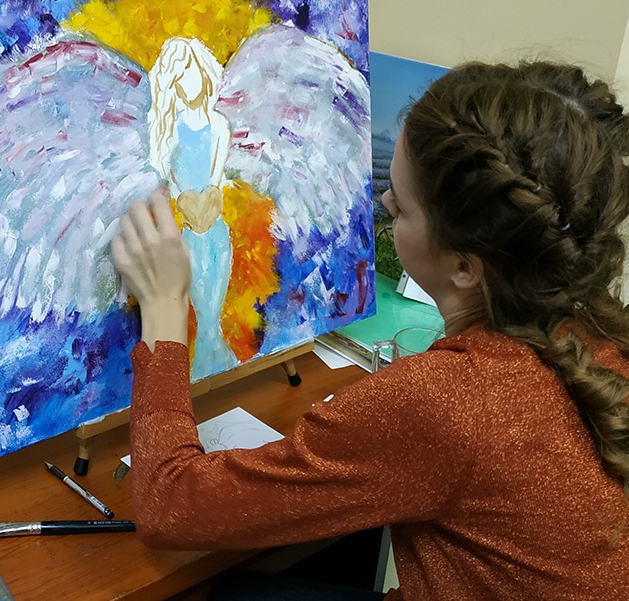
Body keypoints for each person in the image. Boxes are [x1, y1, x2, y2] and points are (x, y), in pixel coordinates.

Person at [110, 60, 629, 600]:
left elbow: (170, 505)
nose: (381, 203)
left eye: (400, 208)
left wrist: (166, 306)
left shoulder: (450, 401)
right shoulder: (601, 333)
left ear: (465, 267)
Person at [148, 36, 235, 380]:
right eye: (180, 73)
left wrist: (209, 201)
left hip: (215, 227)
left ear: (203, 69)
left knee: (214, 308)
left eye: (192, 68)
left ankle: (213, 359)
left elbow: (215, 179)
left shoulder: (219, 126)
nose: (189, 79)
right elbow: (173, 183)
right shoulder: (170, 132)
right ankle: (210, 363)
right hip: (189, 232)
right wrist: (187, 202)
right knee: (202, 305)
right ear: (172, 83)